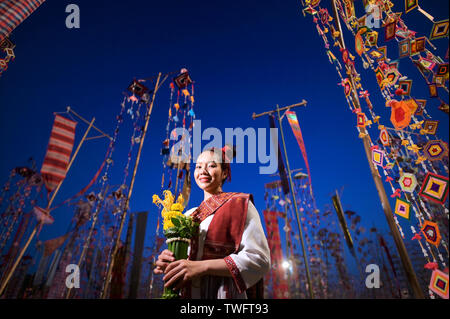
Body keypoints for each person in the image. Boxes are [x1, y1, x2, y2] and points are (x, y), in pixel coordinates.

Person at [154, 145, 270, 299]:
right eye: (199, 166)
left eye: (212, 165)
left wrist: (202, 267)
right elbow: (184, 264)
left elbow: (259, 259)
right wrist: (168, 261)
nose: (203, 171)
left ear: (224, 173)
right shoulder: (188, 215)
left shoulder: (240, 205)